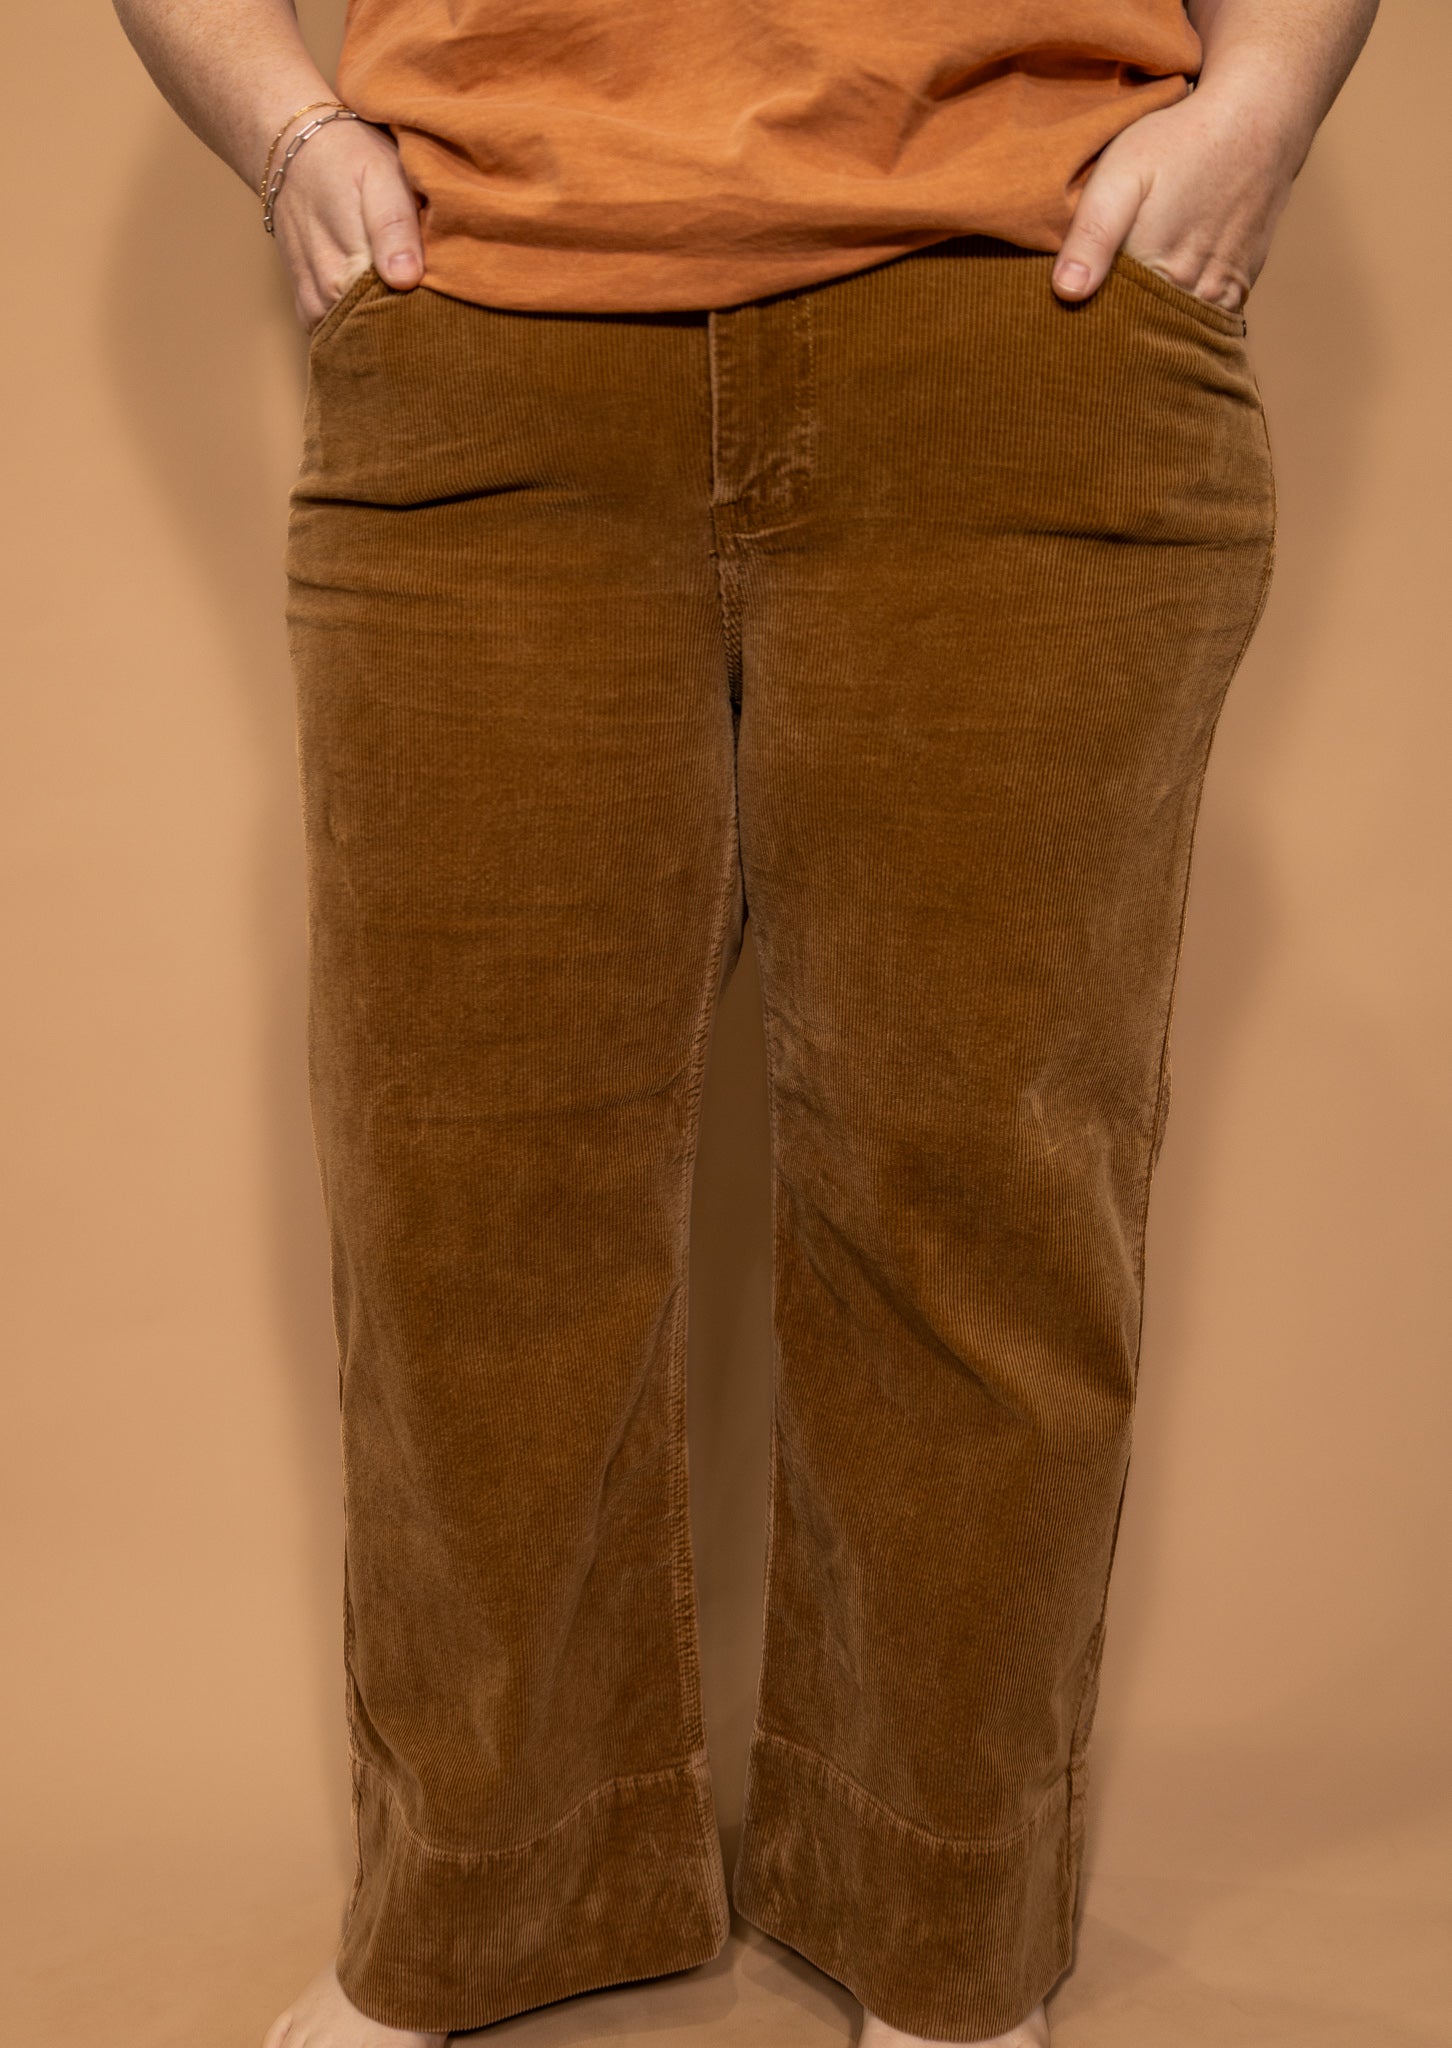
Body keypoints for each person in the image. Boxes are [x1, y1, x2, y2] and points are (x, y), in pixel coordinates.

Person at [111, 4, 1380, 2045]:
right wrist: (290, 139)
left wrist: (1258, 112)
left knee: (979, 1184)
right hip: (490, 339)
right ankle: (484, 1895)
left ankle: (941, 1921)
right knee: (467, 1202)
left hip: (1017, 322)